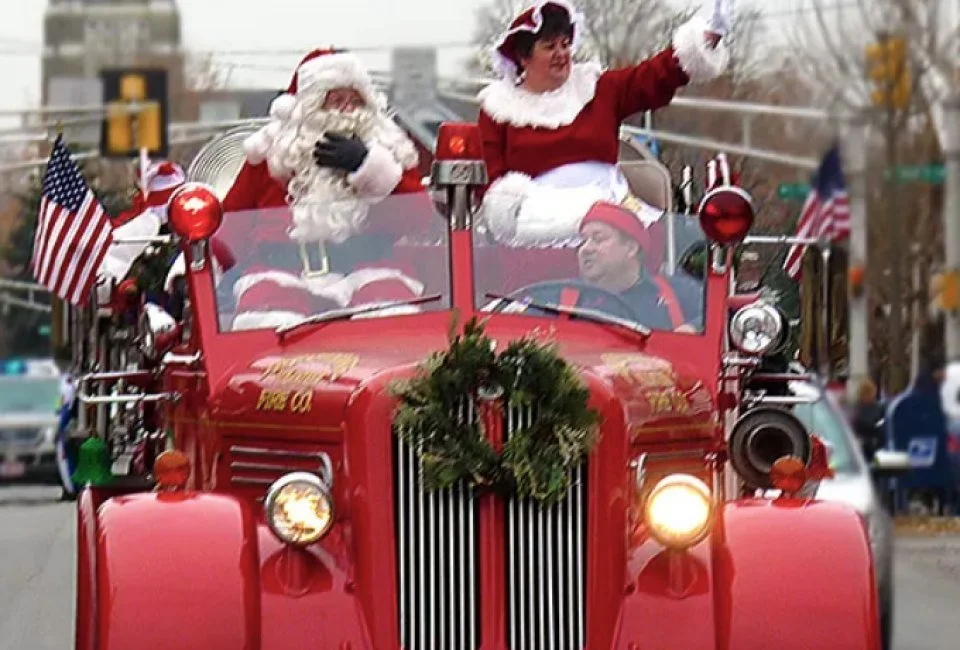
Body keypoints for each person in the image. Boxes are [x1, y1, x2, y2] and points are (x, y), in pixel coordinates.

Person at [477, 0, 730, 247]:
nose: (561, 54)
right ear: (524, 57)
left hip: (610, 220)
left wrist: (705, 40)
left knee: (649, 247)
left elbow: (651, 77)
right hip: (537, 231)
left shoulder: (596, 88)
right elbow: (492, 183)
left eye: (565, 44)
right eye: (549, 46)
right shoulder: (499, 108)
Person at [219, 48, 431, 329]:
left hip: (370, 269)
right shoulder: (272, 154)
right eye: (336, 100)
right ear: (308, 108)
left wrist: (367, 166)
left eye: (355, 100)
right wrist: (199, 266)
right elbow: (231, 222)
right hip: (283, 271)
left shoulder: (389, 151)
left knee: (392, 322)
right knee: (266, 324)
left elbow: (418, 218)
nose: (347, 109)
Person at [577, 201, 701, 331]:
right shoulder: (561, 299)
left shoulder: (680, 292)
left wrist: (693, 328)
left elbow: (719, 314)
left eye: (599, 238)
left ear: (631, 248)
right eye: (583, 240)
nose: (586, 248)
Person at [852, 378, 886, 462]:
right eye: (865, 393)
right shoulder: (855, 410)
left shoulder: (880, 408)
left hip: (876, 447)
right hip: (861, 448)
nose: (867, 397)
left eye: (869, 393)